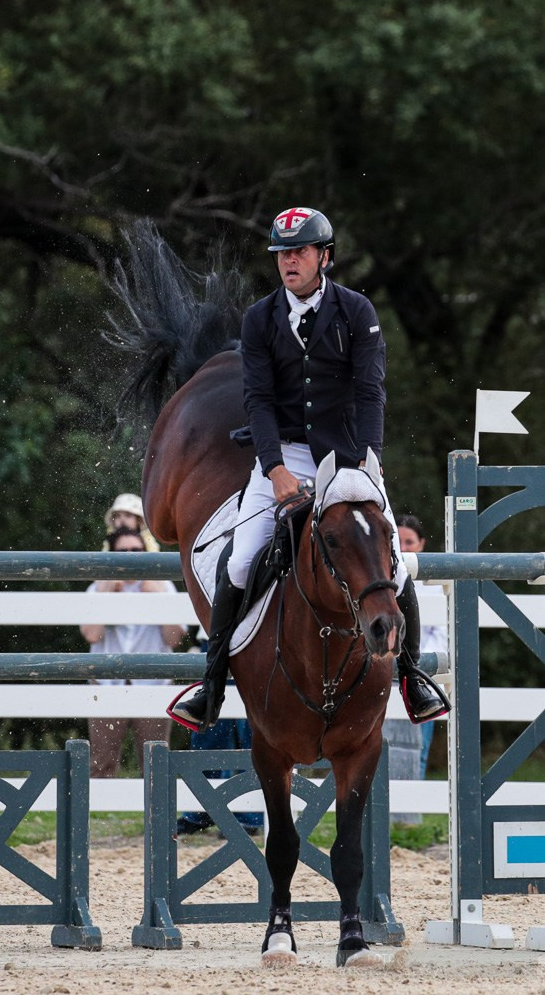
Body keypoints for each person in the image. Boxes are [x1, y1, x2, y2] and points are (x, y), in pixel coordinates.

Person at [173, 205, 449, 733]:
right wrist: (274, 468)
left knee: (395, 561)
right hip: (285, 453)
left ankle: (412, 677)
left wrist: (371, 460)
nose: (288, 262)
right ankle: (211, 685)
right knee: (239, 560)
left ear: (324, 256)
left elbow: (370, 391)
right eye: (281, 253)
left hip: (346, 454)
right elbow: (257, 398)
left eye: (298, 252)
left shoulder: (356, 310)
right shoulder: (260, 318)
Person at [80, 526, 186, 777]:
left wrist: (158, 598)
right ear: (112, 554)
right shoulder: (98, 588)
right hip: (106, 684)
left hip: (154, 684)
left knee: (155, 764)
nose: (130, 555)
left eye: (136, 550)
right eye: (123, 551)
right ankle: (96, 816)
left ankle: (155, 817)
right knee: (100, 763)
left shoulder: (162, 586)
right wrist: (106, 593)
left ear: (145, 551)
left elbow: (174, 638)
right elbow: (92, 634)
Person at [176, 628, 264, 837]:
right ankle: (200, 810)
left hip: (258, 639)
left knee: (251, 733)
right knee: (208, 736)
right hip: (214, 640)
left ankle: (249, 814)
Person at [397, 513, 449, 778]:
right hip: (386, 663)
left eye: (410, 542)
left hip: (417, 667)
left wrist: (415, 662)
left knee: (420, 745)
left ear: (421, 544)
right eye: (399, 541)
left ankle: (410, 815)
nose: (404, 548)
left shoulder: (434, 586)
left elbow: (440, 634)